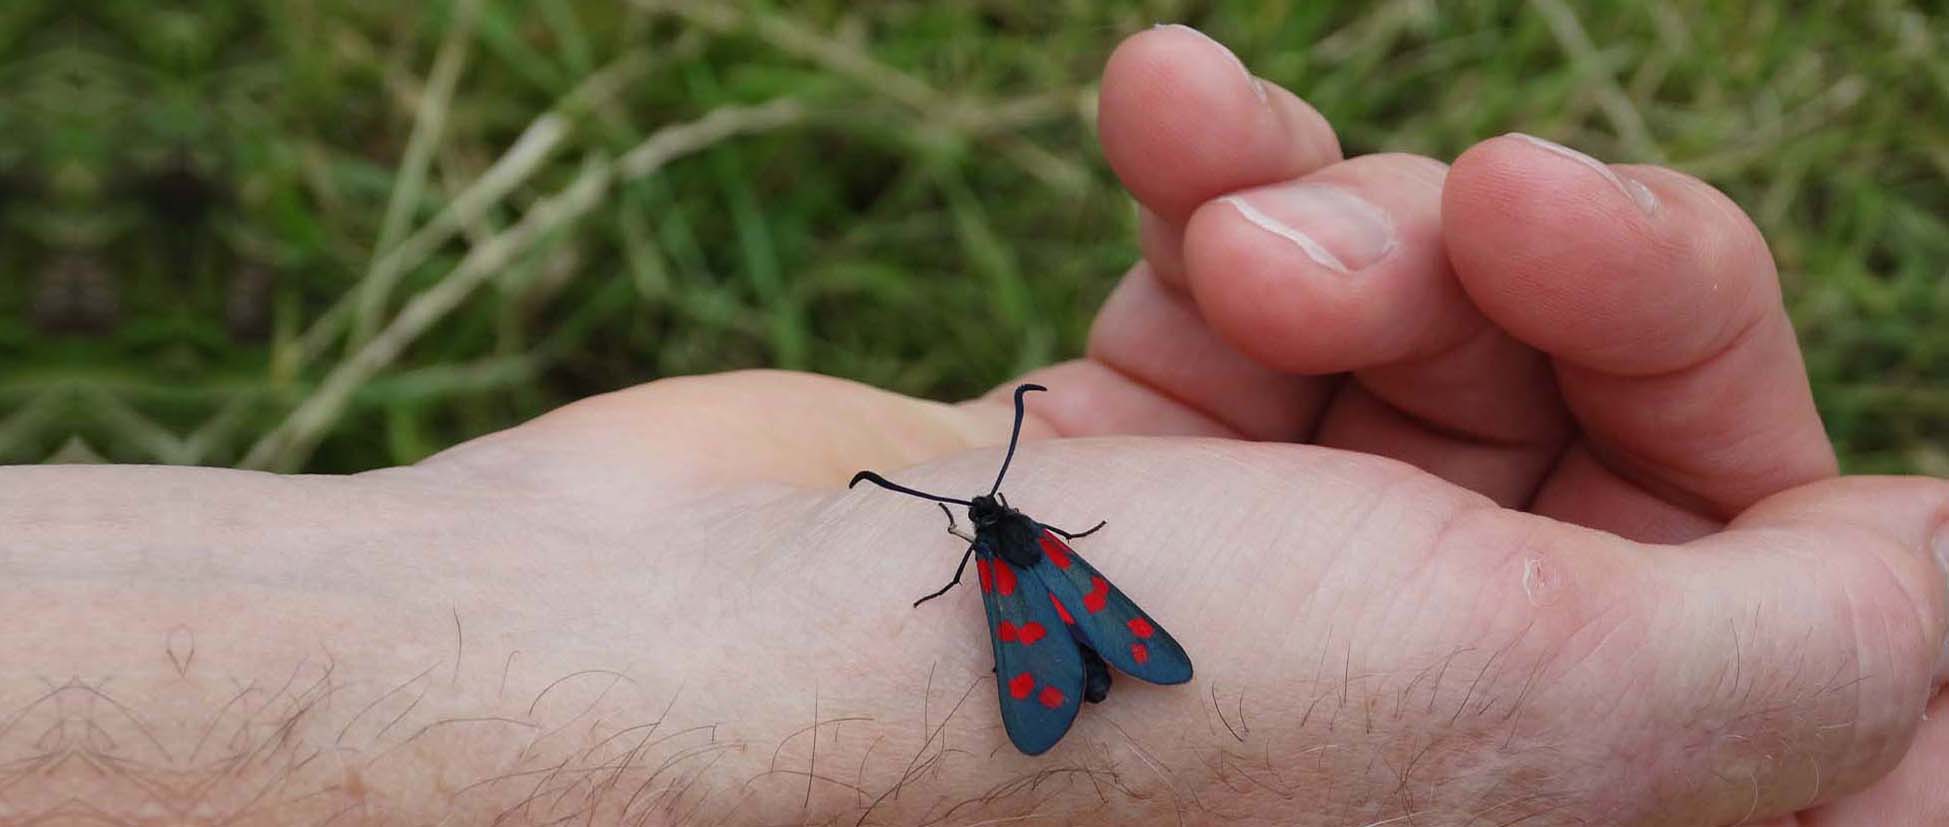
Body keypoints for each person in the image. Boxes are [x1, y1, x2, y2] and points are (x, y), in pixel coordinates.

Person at [6, 24, 1944, 825]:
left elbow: (1007, 582)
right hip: (1069, 589)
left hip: (1050, 582)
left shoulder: (1002, 556)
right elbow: (1039, 601)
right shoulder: (1024, 563)